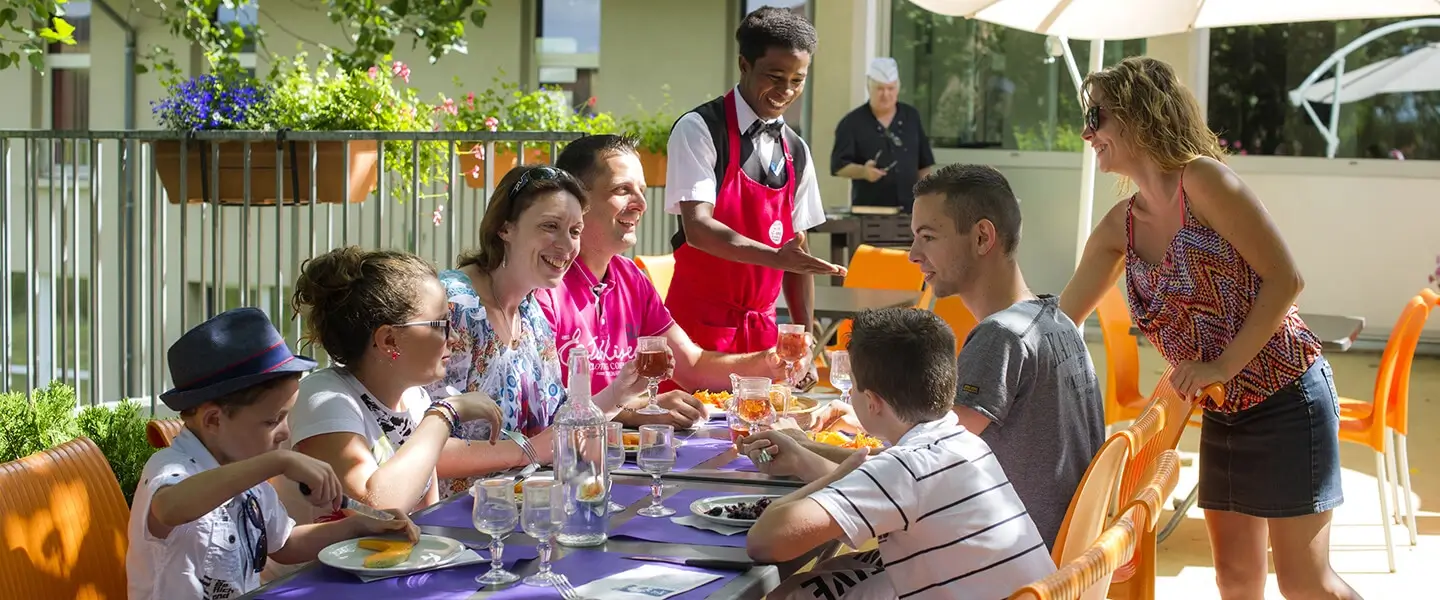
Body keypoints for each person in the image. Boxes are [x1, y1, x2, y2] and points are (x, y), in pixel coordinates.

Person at [1059, 57, 1357, 600]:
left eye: (1096, 116)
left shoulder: (1203, 181)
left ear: (1136, 114)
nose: (1087, 132)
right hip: (1225, 412)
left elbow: (1286, 279)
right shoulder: (1119, 228)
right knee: (1236, 580)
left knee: (1306, 583)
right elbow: (1060, 322)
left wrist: (1221, 364)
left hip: (1289, 398)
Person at [746, 164, 1105, 551]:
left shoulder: (1001, 338)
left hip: (1000, 567)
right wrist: (808, 444)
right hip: (1064, 565)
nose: (913, 255)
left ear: (983, 237)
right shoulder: (1056, 320)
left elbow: (915, 471)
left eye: (928, 237)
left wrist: (803, 452)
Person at [744, 307, 1055, 600]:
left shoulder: (905, 469)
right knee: (821, 579)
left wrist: (834, 477)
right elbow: (887, 481)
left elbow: (764, 542)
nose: (850, 394)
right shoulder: (962, 442)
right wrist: (801, 456)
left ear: (873, 402)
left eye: (852, 385)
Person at [128, 307, 418, 600]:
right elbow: (170, 508)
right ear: (213, 420)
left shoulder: (248, 477)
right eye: (272, 421)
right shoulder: (170, 468)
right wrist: (276, 461)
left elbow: (284, 545)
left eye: (286, 417)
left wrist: (356, 525)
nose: (284, 432)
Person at [543, 134, 803, 429]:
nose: (641, 203)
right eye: (622, 190)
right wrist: (636, 409)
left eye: (641, 190)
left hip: (628, 457)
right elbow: (542, 408)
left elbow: (691, 367)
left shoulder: (630, 278)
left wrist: (768, 362)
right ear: (577, 201)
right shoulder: (546, 283)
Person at [424, 165, 650, 495]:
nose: (566, 245)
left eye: (575, 231)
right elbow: (423, 446)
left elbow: (556, 426)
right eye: (550, 227)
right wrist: (527, 451)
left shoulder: (532, 311)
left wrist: (620, 393)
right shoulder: (453, 305)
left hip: (526, 510)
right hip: (458, 523)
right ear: (505, 228)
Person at [663, 6, 845, 360]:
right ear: (744, 64)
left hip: (763, 335)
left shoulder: (797, 150)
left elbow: (796, 254)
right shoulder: (700, 129)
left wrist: (803, 339)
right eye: (775, 76)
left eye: (798, 79)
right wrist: (779, 258)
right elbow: (698, 229)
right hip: (696, 331)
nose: (787, 91)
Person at [284, 247, 511, 520]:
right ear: (389, 340)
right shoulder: (325, 399)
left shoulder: (415, 399)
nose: (455, 339)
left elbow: (427, 518)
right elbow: (376, 510)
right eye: (440, 324)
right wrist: (444, 414)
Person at [831, 57, 936, 213]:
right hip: (870, 210)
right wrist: (863, 172)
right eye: (880, 89)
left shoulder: (911, 117)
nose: (886, 94)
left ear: (898, 88)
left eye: (891, 88)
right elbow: (838, 166)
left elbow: (924, 165)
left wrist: (928, 200)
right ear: (869, 87)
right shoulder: (852, 122)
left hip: (911, 210)